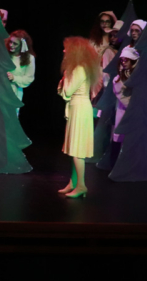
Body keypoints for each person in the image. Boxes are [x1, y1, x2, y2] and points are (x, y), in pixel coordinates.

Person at [57, 37, 101, 198]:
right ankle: (73, 182)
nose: (64, 51)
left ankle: (81, 185)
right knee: (74, 148)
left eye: (67, 49)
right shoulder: (80, 68)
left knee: (77, 149)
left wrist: (65, 77)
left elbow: (67, 91)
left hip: (79, 109)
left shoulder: (79, 69)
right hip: (78, 107)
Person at [112, 46, 139, 144]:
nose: (123, 62)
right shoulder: (118, 80)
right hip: (126, 113)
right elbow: (124, 99)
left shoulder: (138, 77)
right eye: (122, 60)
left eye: (126, 60)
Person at [5, 30, 35, 115]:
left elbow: (29, 78)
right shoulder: (5, 53)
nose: (11, 45)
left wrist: (14, 78)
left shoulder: (29, 59)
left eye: (15, 44)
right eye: (10, 42)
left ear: (22, 45)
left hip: (13, 93)